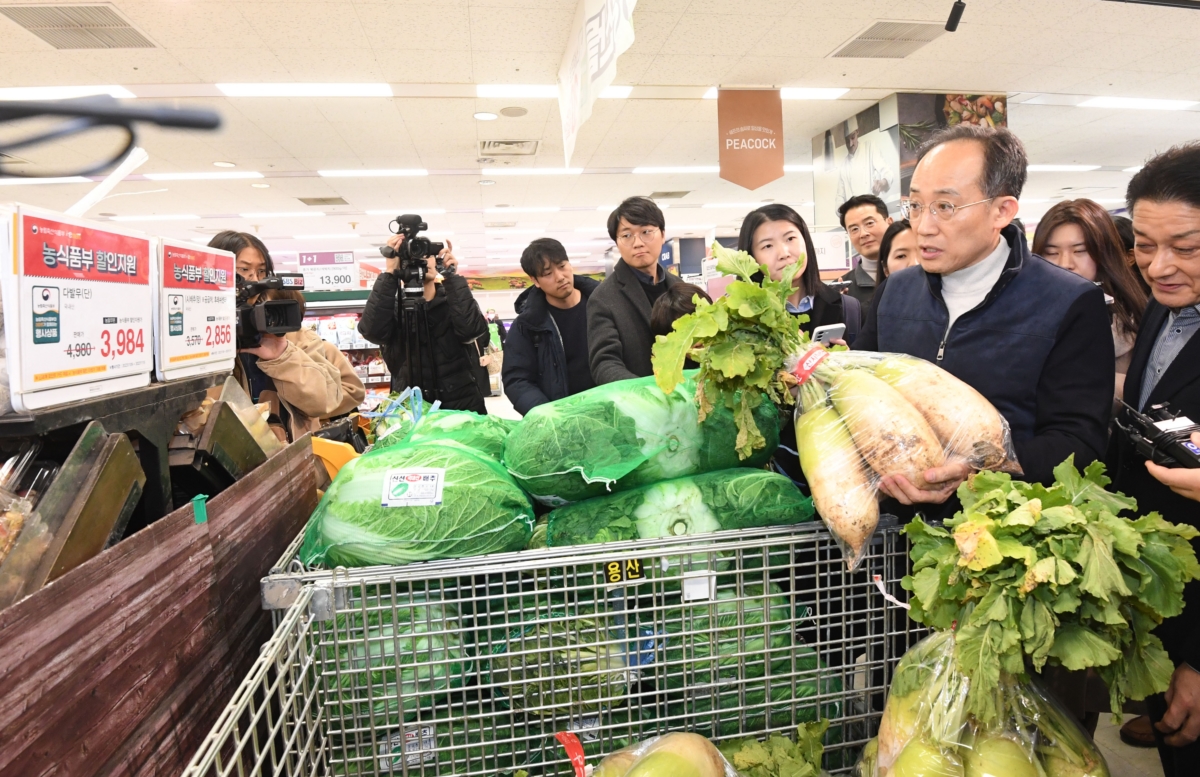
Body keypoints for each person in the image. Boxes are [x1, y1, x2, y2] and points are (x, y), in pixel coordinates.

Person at [856, 124, 1114, 508]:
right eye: (915, 205)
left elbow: (1079, 442)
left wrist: (984, 472)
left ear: (1002, 211)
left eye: (945, 206)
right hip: (894, 534)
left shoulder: (1069, 302)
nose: (923, 226)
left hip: (1007, 536)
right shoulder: (896, 291)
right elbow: (860, 392)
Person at [1107, 142, 1200, 775]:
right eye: (1143, 244)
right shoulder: (1164, 315)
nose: (1159, 265)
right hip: (1164, 595)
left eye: (1186, 247)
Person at [210, 231, 365, 441]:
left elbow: (324, 400)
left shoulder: (295, 337)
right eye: (244, 270)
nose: (254, 280)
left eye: (261, 271)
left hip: (293, 456)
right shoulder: (203, 338)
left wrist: (282, 356)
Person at [1032, 199, 1148, 406]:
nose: (1065, 264)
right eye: (1051, 253)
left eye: (1079, 251)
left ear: (1103, 253)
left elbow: (1124, 393)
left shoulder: (1127, 316)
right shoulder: (1023, 308)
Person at [359, 233, 490, 413]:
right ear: (401, 263)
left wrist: (452, 278)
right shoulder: (392, 309)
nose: (420, 261)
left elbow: (472, 331)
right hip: (411, 409)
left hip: (461, 407)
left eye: (426, 254)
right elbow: (372, 332)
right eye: (412, 256)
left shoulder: (452, 300)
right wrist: (390, 274)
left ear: (436, 261)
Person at [588, 197, 680, 384]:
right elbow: (604, 364)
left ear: (662, 234)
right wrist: (646, 393)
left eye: (646, 232)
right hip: (638, 407)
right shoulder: (603, 298)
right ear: (617, 242)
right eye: (627, 235)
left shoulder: (680, 287)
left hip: (687, 401)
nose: (637, 243)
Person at [503, 238, 601, 415]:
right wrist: (550, 415)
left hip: (611, 411)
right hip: (562, 421)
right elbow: (517, 379)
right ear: (535, 280)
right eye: (548, 273)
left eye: (562, 266)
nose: (560, 277)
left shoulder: (603, 305)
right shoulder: (527, 326)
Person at [738, 203, 860, 342]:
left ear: (805, 241)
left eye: (790, 239)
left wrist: (844, 361)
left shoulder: (848, 308)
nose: (784, 253)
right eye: (767, 246)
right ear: (752, 258)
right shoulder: (740, 319)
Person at [837, 194, 892, 306]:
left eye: (870, 223)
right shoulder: (841, 291)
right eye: (854, 229)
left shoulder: (919, 274)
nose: (863, 234)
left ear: (889, 222)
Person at [836, 116, 897, 209]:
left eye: (852, 138)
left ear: (857, 132)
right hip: (854, 213)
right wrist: (844, 212)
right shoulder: (844, 165)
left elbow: (888, 172)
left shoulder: (869, 147)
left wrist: (882, 183)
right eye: (847, 140)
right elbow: (839, 197)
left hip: (871, 208)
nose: (850, 144)